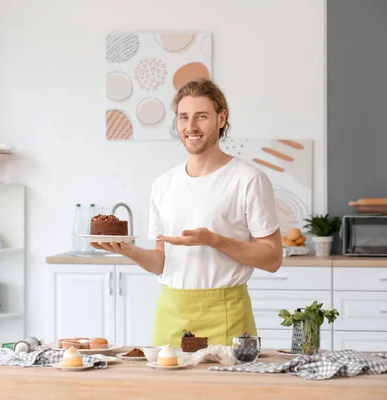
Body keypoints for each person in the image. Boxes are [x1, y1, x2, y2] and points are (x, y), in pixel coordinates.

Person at [92, 77, 282, 347]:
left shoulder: (248, 179)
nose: (190, 127)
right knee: (166, 390)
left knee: (228, 390)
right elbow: (162, 260)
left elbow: (273, 258)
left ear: (221, 118)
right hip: (171, 313)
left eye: (201, 116)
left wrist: (213, 240)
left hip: (227, 315)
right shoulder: (163, 185)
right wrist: (129, 251)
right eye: (183, 117)